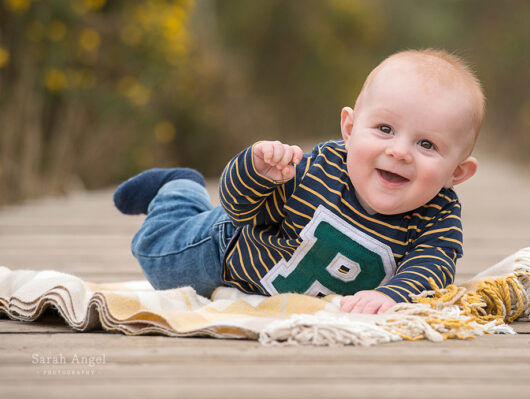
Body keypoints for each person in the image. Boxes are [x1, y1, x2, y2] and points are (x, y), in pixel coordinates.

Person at [113, 49, 485, 314]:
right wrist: (255, 170)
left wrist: (393, 296)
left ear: (457, 173)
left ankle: (185, 193)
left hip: (275, 283)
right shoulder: (316, 173)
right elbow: (242, 207)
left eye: (426, 144)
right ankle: (178, 187)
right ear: (351, 129)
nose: (400, 152)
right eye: (385, 129)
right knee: (156, 257)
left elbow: (434, 265)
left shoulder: (438, 215)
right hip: (224, 248)